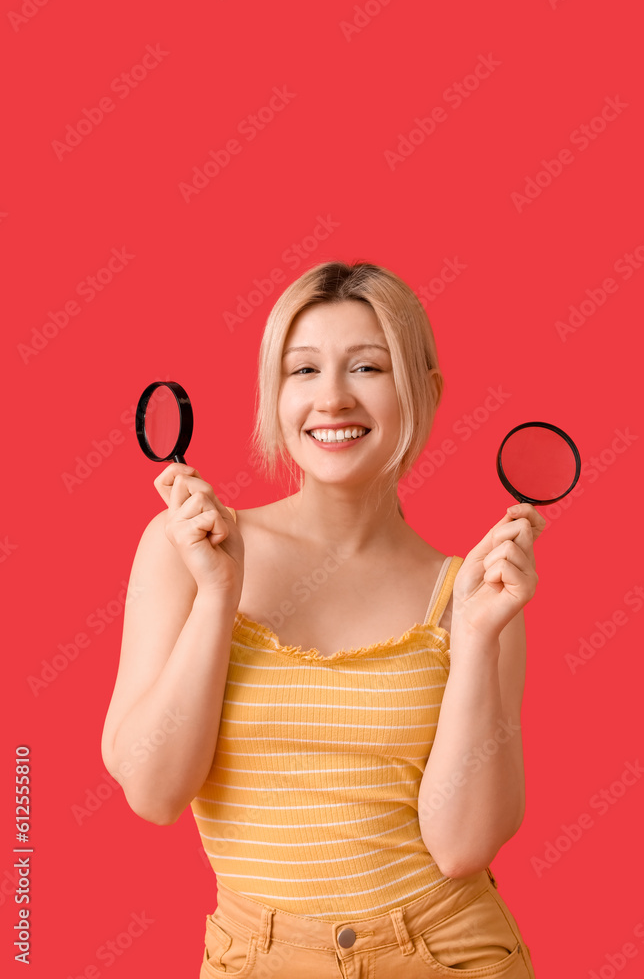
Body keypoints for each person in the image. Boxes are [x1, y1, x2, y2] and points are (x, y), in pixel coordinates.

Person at [102, 260, 543, 977]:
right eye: (302, 370)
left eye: (367, 367)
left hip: (447, 953)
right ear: (273, 395)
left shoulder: (470, 593)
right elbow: (153, 794)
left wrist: (475, 635)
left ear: (422, 392)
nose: (331, 399)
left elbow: (462, 847)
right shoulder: (185, 550)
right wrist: (218, 596)